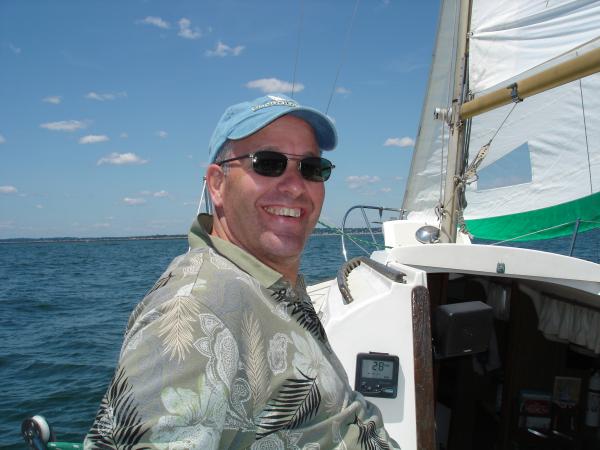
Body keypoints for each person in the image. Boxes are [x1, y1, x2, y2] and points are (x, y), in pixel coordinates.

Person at [84, 94, 398, 449]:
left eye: (311, 168)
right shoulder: (196, 310)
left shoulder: (265, 281)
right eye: (268, 163)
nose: (295, 186)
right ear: (217, 185)